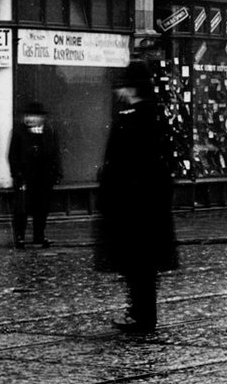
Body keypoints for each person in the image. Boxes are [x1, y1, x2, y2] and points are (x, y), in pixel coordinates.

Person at [95, 80, 177, 336]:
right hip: (151, 207)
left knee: (137, 265)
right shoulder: (156, 117)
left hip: (133, 207)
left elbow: (118, 163)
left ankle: (140, 315)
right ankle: (143, 314)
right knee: (144, 267)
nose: (119, 92)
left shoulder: (131, 120)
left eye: (122, 87)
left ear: (131, 89)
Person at [7, 102, 59, 248]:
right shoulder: (18, 132)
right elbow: (12, 155)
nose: (29, 119)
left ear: (42, 118)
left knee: (42, 208)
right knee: (22, 208)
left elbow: (55, 153)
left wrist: (56, 173)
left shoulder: (50, 132)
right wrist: (16, 173)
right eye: (27, 116)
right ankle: (20, 237)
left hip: (44, 177)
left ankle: (39, 236)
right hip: (25, 177)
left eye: (33, 116)